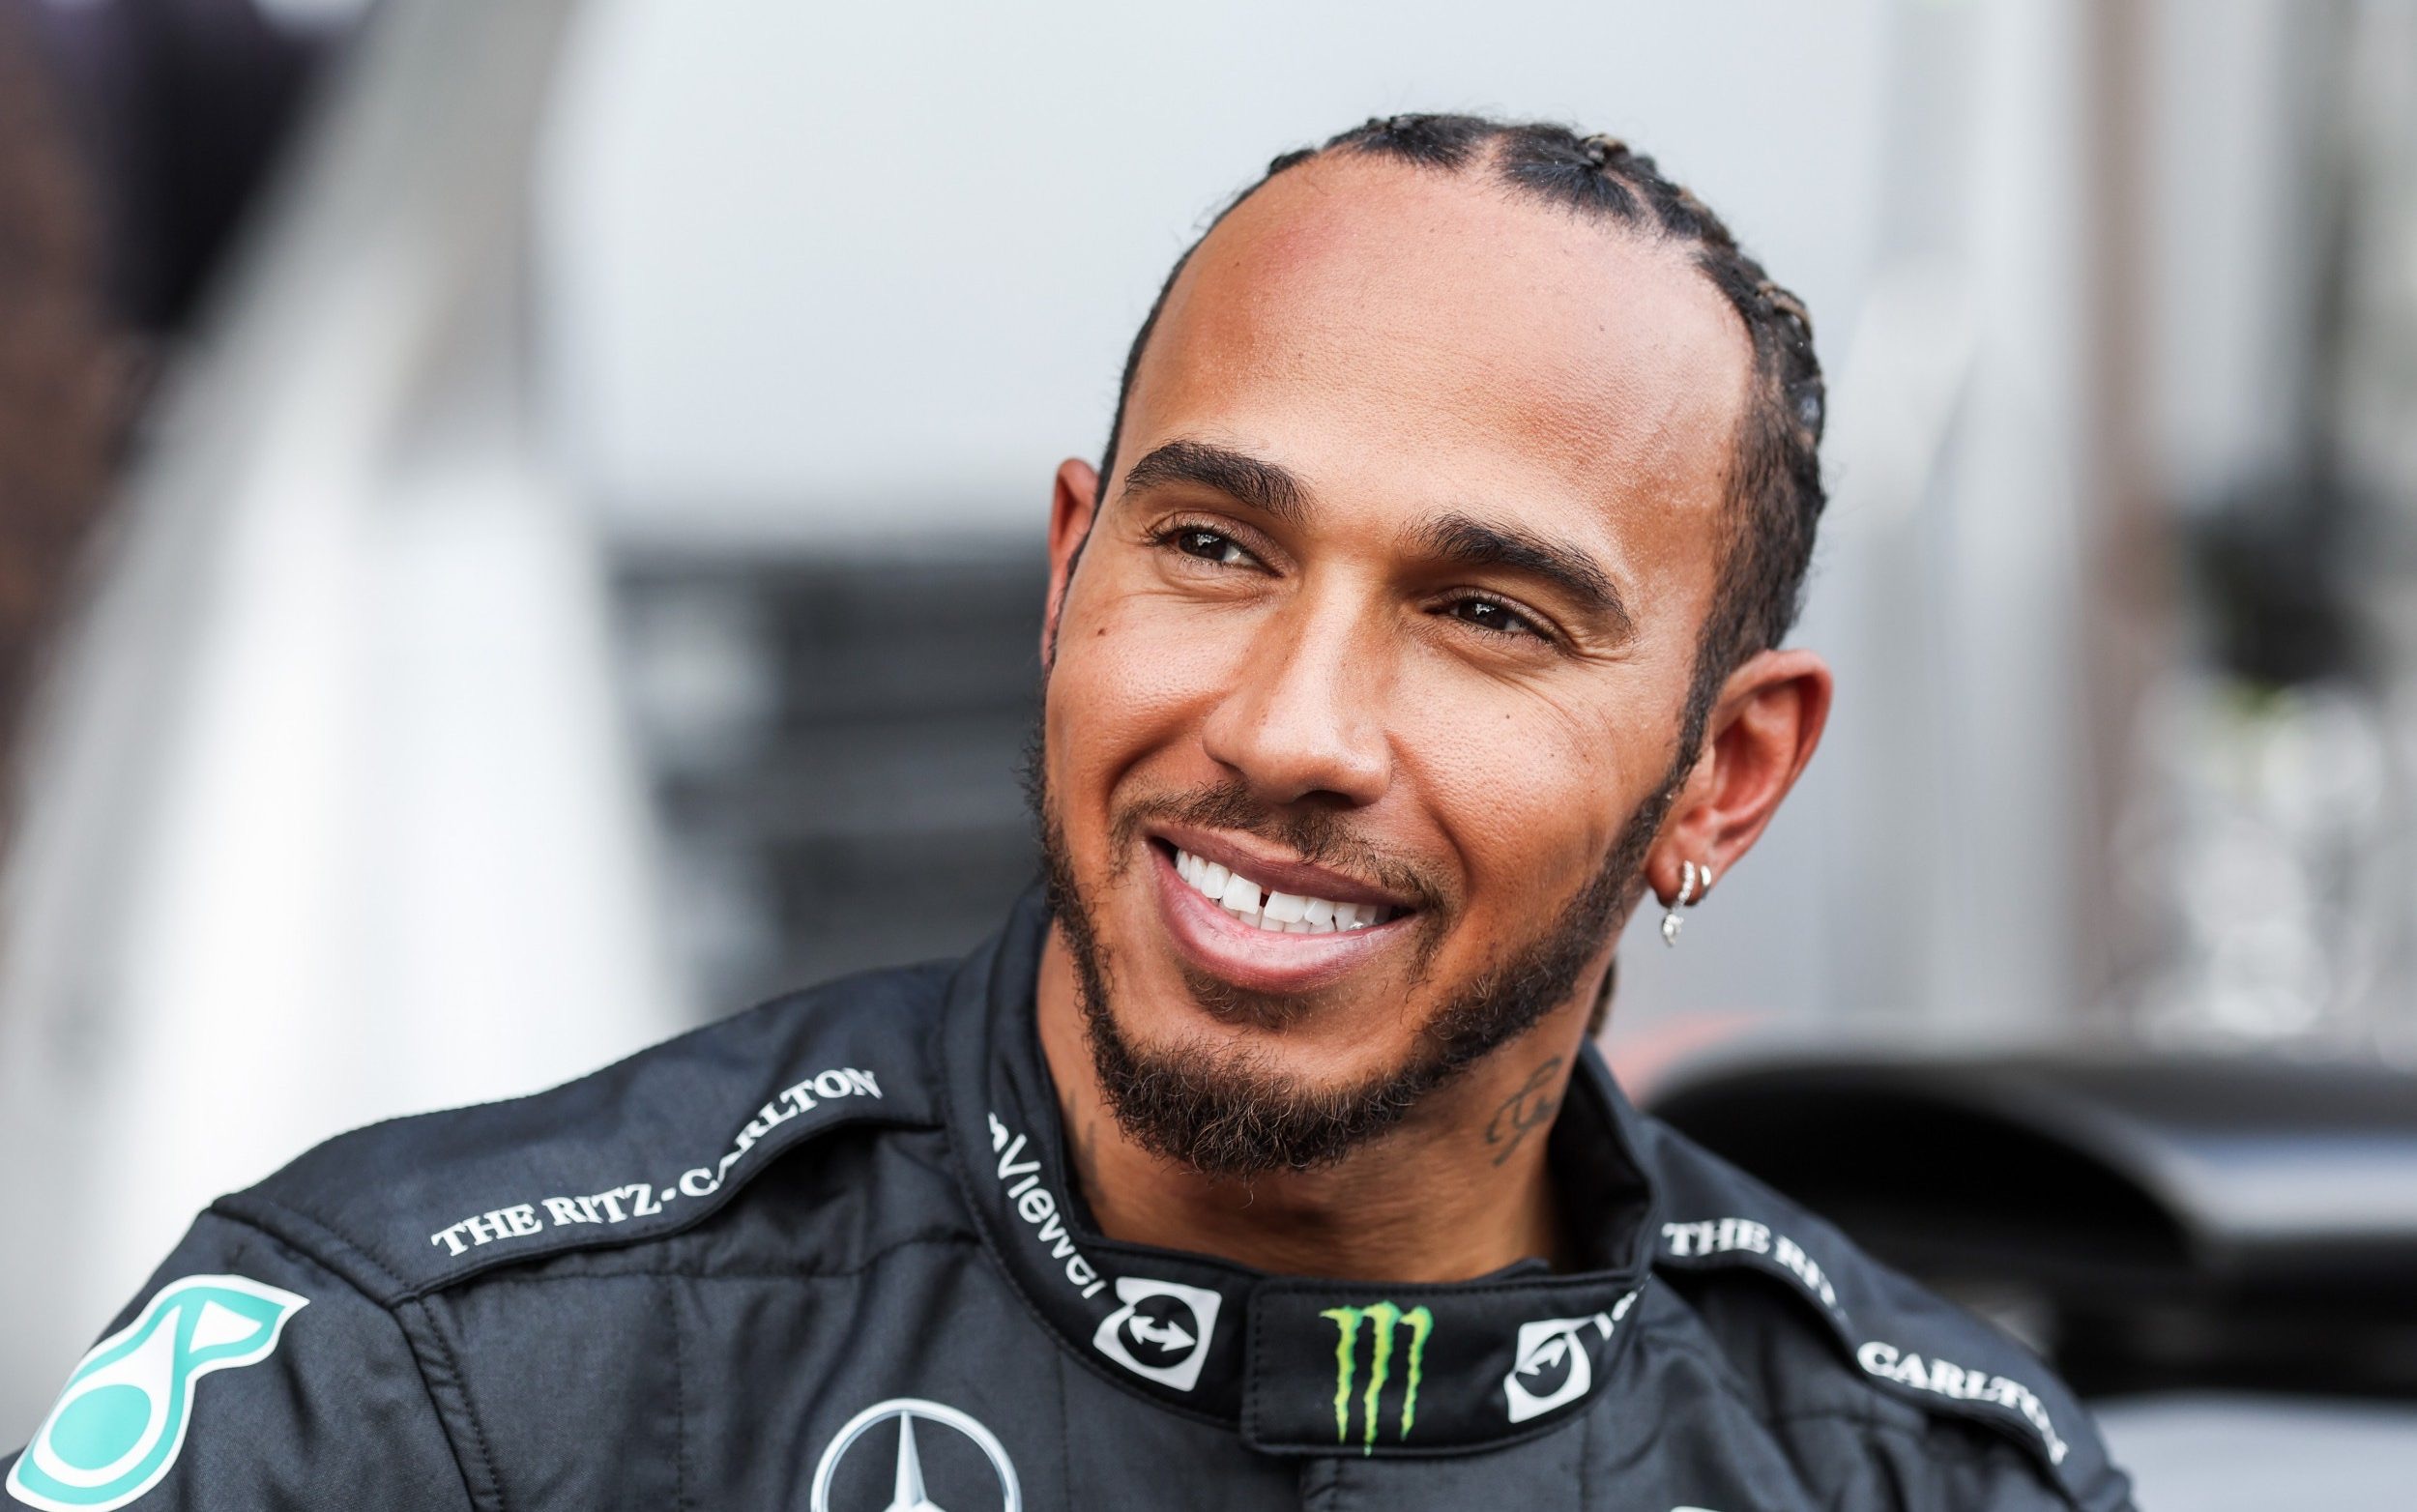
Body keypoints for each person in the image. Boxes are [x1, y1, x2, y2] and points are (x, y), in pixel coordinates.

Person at [3, 113, 2134, 1512]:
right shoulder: (426, 1380)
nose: (1289, 726)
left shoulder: (1922, 1475)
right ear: (1067, 576)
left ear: (1722, 775)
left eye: (1485, 615)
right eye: (1210, 548)